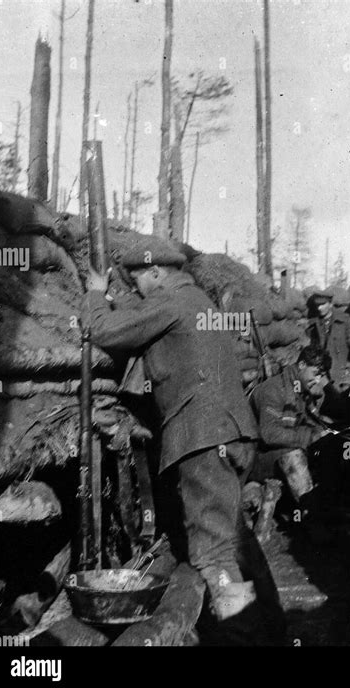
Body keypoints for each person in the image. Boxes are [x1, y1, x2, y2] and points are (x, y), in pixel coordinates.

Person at [81, 235, 271, 636]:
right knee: (233, 538)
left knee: (214, 555)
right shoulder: (195, 300)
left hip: (202, 438)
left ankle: (243, 634)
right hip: (230, 433)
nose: (136, 290)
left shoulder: (170, 301)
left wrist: (97, 295)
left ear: (155, 271)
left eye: (138, 281)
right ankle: (273, 628)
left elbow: (105, 331)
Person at [251, 345, 345, 542]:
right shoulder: (273, 389)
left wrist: (323, 432)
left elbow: (305, 421)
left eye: (321, 376)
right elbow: (268, 434)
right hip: (257, 458)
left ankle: (329, 511)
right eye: (315, 373)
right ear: (301, 364)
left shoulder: (300, 390)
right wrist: (309, 437)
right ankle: (314, 524)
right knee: (294, 456)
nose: (318, 380)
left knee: (330, 446)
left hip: (278, 454)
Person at [306, 288, 350, 392]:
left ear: (330, 303)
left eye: (323, 304)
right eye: (317, 305)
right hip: (324, 372)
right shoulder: (314, 324)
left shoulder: (345, 319)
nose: (319, 308)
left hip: (342, 370)